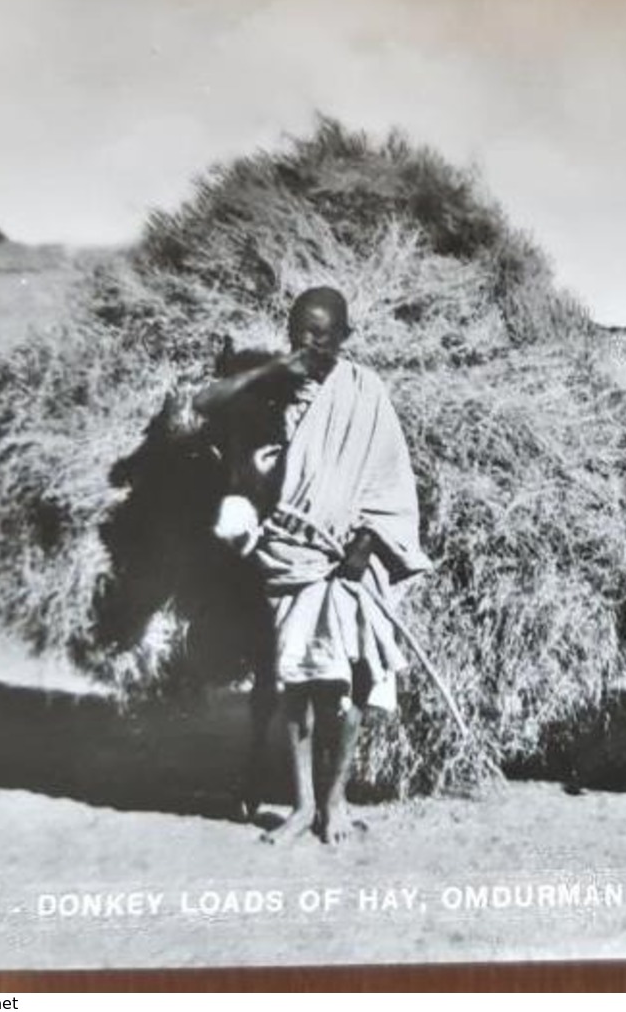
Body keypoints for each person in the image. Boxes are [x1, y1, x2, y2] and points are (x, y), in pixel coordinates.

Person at [192, 286, 432, 844]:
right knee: (298, 684)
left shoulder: (364, 391)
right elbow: (203, 404)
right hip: (289, 559)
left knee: (347, 684)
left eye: (322, 335)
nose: (310, 344)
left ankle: (335, 803)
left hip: (350, 559)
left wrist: (368, 543)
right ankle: (301, 806)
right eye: (300, 332)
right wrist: (275, 369)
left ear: (344, 336)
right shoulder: (268, 393)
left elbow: (390, 480)